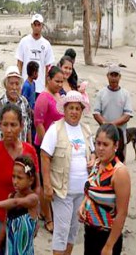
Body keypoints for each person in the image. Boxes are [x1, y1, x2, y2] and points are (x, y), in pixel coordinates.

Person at [0, 104, 40, 255]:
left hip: (25, 220)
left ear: (21, 126)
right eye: (5, 124)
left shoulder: (30, 151)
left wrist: (35, 215)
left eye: (13, 125)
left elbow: (38, 185)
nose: (8, 130)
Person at [41, 90, 94, 255]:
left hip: (82, 191)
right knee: (61, 231)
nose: (74, 112)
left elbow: (92, 151)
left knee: (73, 230)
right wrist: (47, 185)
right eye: (70, 108)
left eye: (77, 108)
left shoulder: (85, 130)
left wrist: (92, 158)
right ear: (64, 109)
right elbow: (45, 156)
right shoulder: (55, 129)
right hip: (62, 191)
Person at [79, 124, 131, 255]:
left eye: (105, 145)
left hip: (107, 236)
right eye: (98, 143)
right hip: (90, 232)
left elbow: (122, 213)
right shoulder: (97, 164)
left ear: (116, 145)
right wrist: (83, 205)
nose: (100, 148)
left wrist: (109, 246)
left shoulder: (119, 172)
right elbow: (91, 190)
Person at [0, 155, 39, 255]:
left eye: (19, 178)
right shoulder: (11, 196)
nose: (15, 181)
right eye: (13, 176)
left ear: (31, 180)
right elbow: (5, 225)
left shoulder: (33, 199)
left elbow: (16, 202)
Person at [33, 66, 64, 233]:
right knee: (45, 182)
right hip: (44, 146)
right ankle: (48, 218)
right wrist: (47, 147)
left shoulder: (57, 94)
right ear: (48, 80)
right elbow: (38, 124)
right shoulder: (43, 98)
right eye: (57, 81)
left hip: (57, 145)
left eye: (62, 81)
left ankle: (50, 212)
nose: (60, 84)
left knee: (53, 180)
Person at [93, 64, 134, 162]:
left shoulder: (125, 94)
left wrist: (112, 125)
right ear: (107, 76)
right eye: (112, 75)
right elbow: (96, 113)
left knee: (119, 164)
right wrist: (105, 125)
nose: (114, 78)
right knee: (102, 163)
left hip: (120, 137)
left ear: (120, 77)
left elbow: (127, 115)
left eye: (116, 75)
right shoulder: (101, 93)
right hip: (103, 137)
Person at [0, 66, 32, 146]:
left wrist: (29, 149)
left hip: (21, 152)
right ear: (5, 85)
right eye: (11, 84)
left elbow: (28, 127)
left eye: (17, 84)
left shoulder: (24, 102)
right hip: (3, 152)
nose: (14, 88)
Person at [16, 13, 55, 97]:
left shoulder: (46, 44)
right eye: (35, 24)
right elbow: (19, 63)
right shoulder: (24, 41)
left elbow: (48, 67)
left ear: (42, 26)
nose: (37, 27)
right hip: (26, 85)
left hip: (40, 86)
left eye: (39, 25)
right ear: (31, 25)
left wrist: (46, 86)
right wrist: (18, 82)